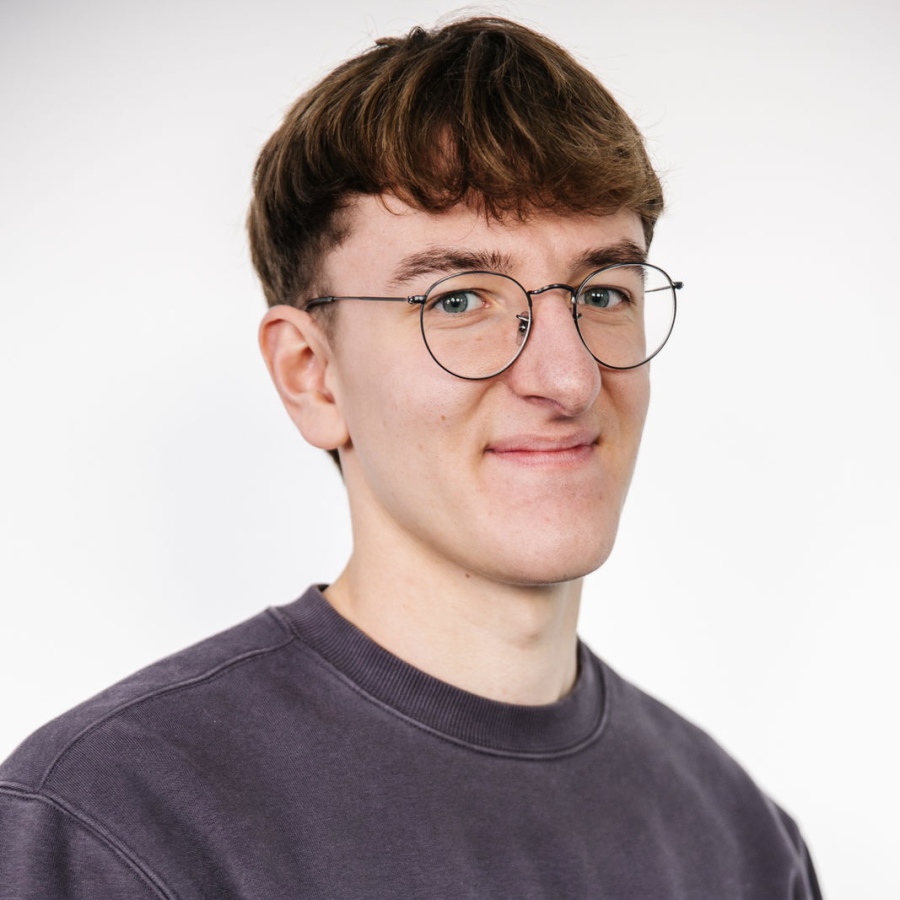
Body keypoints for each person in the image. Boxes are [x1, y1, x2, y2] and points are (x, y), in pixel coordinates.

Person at [0, 16, 821, 898]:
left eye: (603, 292)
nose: (569, 377)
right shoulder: (110, 827)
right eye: (459, 299)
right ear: (312, 375)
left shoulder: (742, 841)